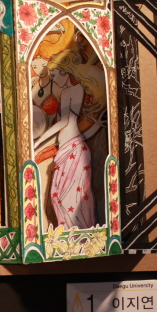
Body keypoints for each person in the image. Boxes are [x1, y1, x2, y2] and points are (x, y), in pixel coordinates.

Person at [33, 49, 103, 230]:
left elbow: (65, 121)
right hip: (69, 149)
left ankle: (76, 233)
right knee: (58, 194)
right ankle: (68, 231)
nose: (53, 78)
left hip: (74, 150)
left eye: (54, 73)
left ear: (65, 71)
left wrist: (38, 142)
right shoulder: (67, 91)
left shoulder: (74, 90)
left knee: (70, 197)